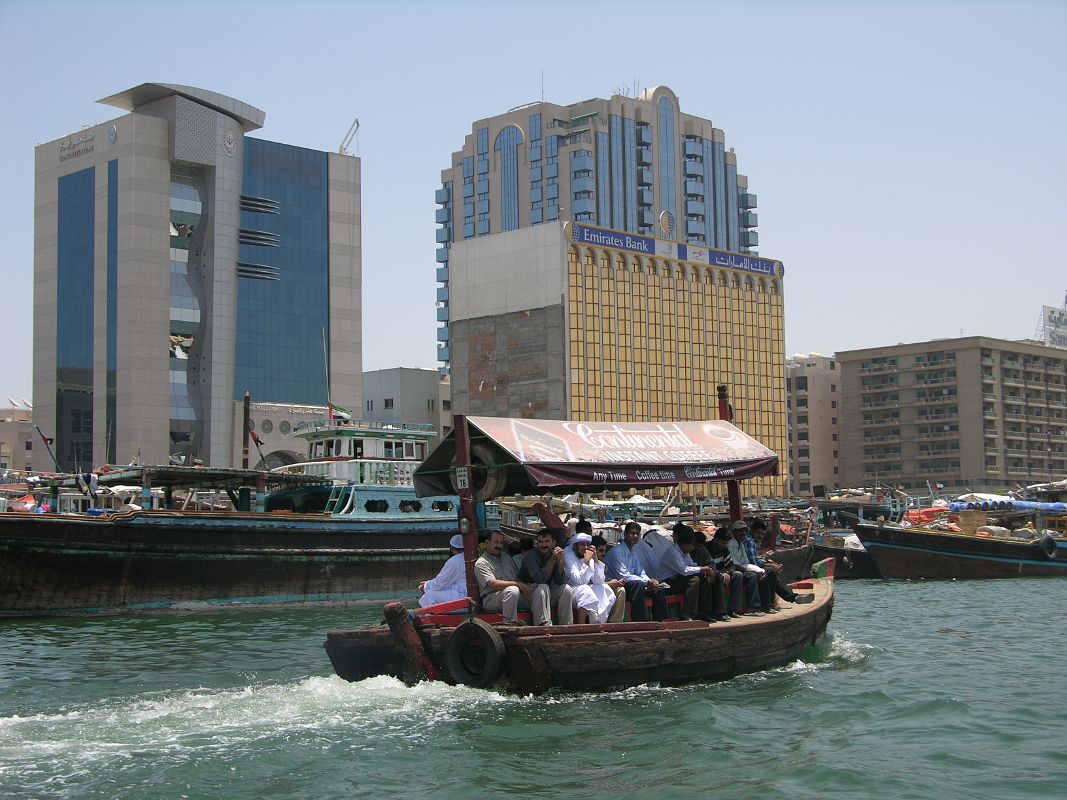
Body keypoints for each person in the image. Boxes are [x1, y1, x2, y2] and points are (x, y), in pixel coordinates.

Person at [727, 520, 813, 612]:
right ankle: (777, 601)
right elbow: (752, 562)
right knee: (769, 572)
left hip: (747, 567)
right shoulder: (749, 541)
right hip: (743, 568)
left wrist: (768, 563)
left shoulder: (743, 542)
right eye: (758, 533)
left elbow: (751, 559)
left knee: (769, 572)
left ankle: (782, 600)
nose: (760, 536)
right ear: (751, 531)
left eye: (762, 534)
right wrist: (771, 565)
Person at [654, 523, 729, 622]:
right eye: (692, 546)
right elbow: (684, 570)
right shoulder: (673, 552)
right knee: (694, 580)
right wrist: (703, 569)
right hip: (667, 583)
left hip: (678, 580)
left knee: (706, 576)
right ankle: (687, 614)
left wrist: (705, 571)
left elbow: (692, 565)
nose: (693, 548)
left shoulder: (685, 553)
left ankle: (704, 612)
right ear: (685, 545)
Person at [475, 529, 551, 624]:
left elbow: (517, 576)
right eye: (496, 542)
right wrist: (517, 584)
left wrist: (526, 586)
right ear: (487, 543)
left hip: (515, 596)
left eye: (501, 543)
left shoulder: (506, 557)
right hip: (492, 599)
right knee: (512, 590)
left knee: (541, 588)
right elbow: (493, 584)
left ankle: (543, 626)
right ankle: (511, 626)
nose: (499, 546)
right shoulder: (481, 562)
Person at [604, 521, 668, 621]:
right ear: (625, 534)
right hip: (617, 584)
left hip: (631, 584)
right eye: (632, 533)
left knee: (659, 587)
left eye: (637, 534)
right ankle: (640, 621)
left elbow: (641, 571)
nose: (635, 536)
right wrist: (647, 582)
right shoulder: (616, 552)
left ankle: (659, 621)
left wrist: (651, 581)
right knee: (638, 585)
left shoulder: (632, 552)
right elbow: (624, 576)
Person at [563, 532, 625, 624]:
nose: (585, 547)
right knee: (584, 590)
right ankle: (581, 626)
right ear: (575, 546)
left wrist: (595, 560)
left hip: (586, 588)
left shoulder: (589, 556)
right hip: (572, 590)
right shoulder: (568, 556)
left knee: (606, 589)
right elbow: (580, 581)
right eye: (582, 545)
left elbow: (598, 581)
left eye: (587, 545)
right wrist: (586, 562)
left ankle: (598, 623)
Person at [517, 529, 574, 625]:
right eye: (540, 542)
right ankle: (545, 627)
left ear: (553, 543)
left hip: (545, 594)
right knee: (543, 587)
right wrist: (552, 559)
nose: (543, 545)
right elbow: (539, 579)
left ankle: (567, 626)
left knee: (566, 589)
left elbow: (561, 582)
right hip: (527, 595)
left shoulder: (555, 555)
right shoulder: (530, 556)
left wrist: (560, 562)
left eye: (547, 541)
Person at [708, 527, 760, 616]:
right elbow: (709, 566)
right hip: (712, 574)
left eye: (726, 543)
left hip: (723, 573)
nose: (724, 545)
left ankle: (733, 609)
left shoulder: (724, 549)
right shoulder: (707, 548)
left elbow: (731, 566)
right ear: (716, 539)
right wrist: (722, 573)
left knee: (738, 575)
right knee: (718, 576)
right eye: (723, 543)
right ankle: (720, 612)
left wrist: (727, 572)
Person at [418, 534, 469, 608]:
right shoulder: (470, 556)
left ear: (452, 548)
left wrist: (426, 585)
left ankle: (432, 618)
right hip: (465, 593)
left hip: (460, 595)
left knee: (429, 594)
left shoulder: (454, 561)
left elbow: (440, 583)